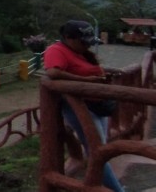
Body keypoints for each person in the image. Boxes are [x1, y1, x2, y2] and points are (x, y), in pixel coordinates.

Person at [44, 19, 125, 192]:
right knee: (98, 152)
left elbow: (84, 68)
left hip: (97, 104)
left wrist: (105, 72)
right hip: (81, 106)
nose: (86, 47)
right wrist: (85, 81)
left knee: (100, 148)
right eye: (83, 42)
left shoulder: (79, 51)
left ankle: (102, 184)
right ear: (68, 38)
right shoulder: (56, 50)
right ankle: (115, 189)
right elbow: (52, 72)